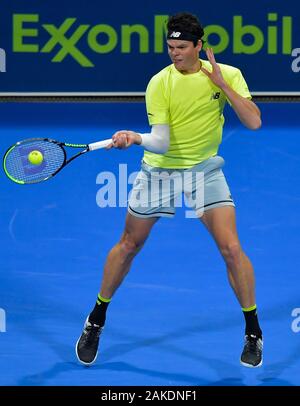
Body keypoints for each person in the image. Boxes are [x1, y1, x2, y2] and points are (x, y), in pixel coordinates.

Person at [75, 12, 263, 368]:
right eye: (170, 46)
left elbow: (253, 122)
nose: (174, 53)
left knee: (231, 247)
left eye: (181, 47)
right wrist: (135, 138)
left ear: (199, 46)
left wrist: (222, 85)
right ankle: (96, 318)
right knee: (129, 245)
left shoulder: (229, 75)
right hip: (159, 171)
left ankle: (253, 332)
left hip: (204, 170)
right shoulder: (159, 82)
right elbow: (159, 142)